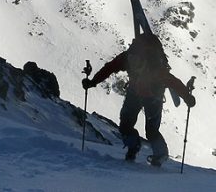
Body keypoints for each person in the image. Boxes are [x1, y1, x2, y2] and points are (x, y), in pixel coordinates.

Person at [82, 32, 195, 166]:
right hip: (140, 93)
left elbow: (172, 81)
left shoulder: (154, 67)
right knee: (127, 125)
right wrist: (93, 82)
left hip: (152, 96)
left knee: (149, 130)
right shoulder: (127, 58)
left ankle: (156, 153)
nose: (135, 67)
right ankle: (140, 148)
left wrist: (187, 96)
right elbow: (109, 68)